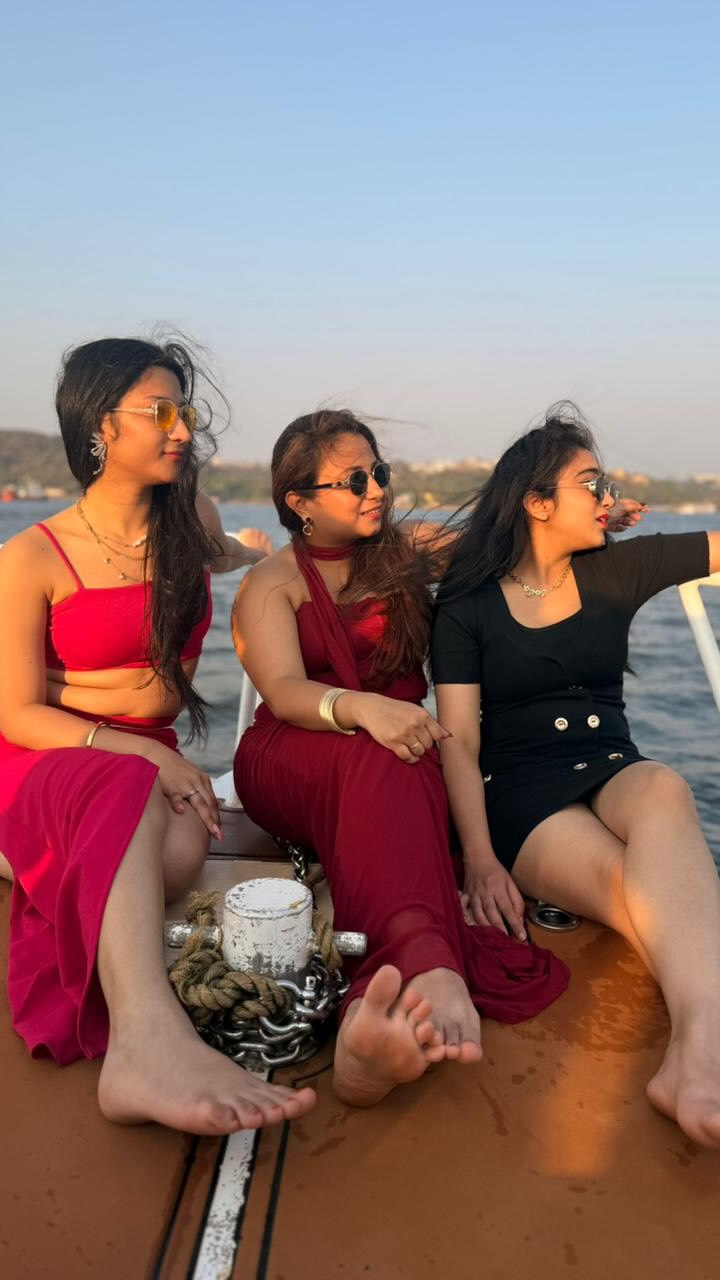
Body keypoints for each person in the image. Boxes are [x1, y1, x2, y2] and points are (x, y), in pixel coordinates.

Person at [0, 336, 315, 1134]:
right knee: (135, 814)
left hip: (147, 765)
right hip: (52, 753)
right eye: (160, 412)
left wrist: (256, 554)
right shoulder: (30, 558)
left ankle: (34, 860)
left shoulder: (192, 520)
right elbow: (17, 712)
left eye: (187, 413)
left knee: (174, 860)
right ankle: (146, 1041)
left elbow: (220, 552)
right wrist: (138, 750)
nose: (182, 430)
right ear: (99, 425)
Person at [232, 408, 571, 1110]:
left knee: (407, 753)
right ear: (299, 501)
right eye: (353, 480)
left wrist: (590, 514)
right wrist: (365, 709)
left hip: (400, 749)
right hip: (291, 754)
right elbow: (286, 692)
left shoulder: (407, 551)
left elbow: (512, 540)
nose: (377, 490)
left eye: (379, 472)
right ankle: (429, 966)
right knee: (391, 751)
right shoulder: (272, 582)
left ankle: (369, 1014)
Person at [431, 403, 720, 1149]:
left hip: (612, 764)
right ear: (536, 503)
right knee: (636, 888)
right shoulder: (467, 603)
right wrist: (481, 859)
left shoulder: (616, 569)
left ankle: (698, 1050)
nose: (607, 497)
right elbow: (459, 741)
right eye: (590, 484)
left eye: (605, 484)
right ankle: (702, 1050)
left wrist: (598, 512)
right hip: (520, 793)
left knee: (666, 787)